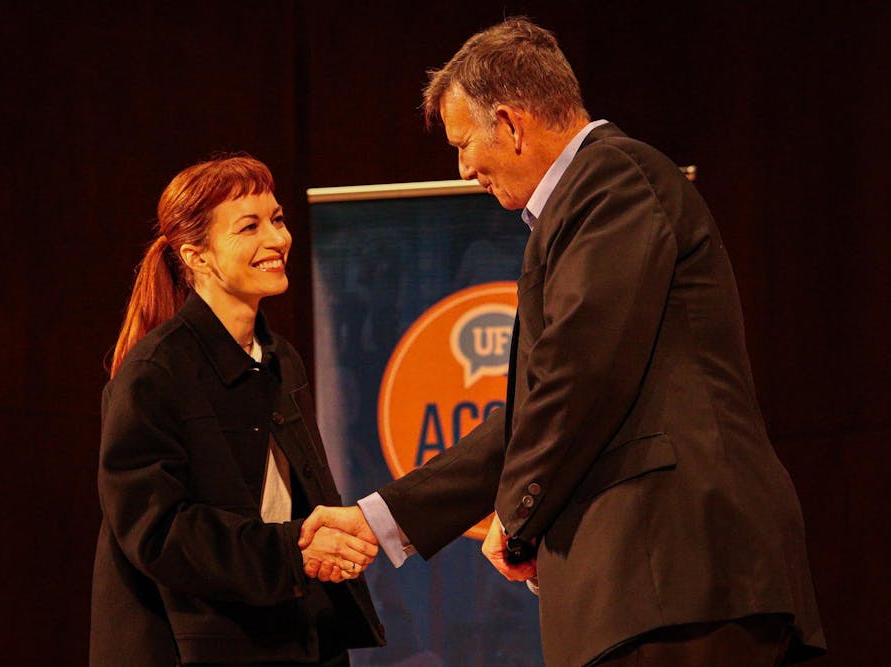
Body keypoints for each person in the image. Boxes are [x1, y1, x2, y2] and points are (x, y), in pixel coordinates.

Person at [300, 18, 826, 666]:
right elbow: (532, 414)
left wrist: (519, 515)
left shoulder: (613, 181)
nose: (464, 168)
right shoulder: (587, 200)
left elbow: (578, 377)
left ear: (513, 126)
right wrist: (380, 518)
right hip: (651, 595)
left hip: (678, 579)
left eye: (464, 144)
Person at [90, 154, 385, 666]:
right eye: (249, 227)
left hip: (290, 635)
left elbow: (292, 500)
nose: (276, 239)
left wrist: (328, 543)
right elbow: (157, 532)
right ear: (196, 256)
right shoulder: (153, 373)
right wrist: (295, 552)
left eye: (277, 219)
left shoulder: (280, 359)